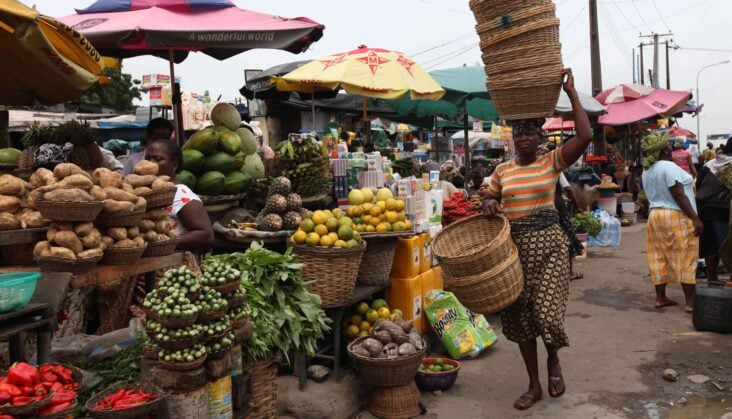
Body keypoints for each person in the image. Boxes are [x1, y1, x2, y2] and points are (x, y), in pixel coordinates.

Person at [481, 69, 592, 410]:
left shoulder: (550, 162)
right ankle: (533, 384)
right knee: (521, 321)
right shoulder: (502, 171)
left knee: (546, 315)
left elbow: (585, 136)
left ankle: (553, 360)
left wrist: (571, 94)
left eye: (530, 131)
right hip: (514, 253)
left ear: (539, 136)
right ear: (512, 137)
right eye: (519, 132)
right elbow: (487, 197)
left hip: (549, 247)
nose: (524, 137)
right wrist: (489, 202)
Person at [641, 131, 702, 314]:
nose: (670, 148)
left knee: (658, 254)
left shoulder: (647, 170)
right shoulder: (669, 167)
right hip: (675, 215)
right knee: (686, 255)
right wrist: (695, 218)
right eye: (667, 145)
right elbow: (678, 193)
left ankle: (661, 298)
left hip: (655, 216)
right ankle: (690, 302)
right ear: (663, 150)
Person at [144, 140, 214, 253]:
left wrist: (166, 242)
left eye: (157, 159)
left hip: (175, 265)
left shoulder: (181, 194)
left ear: (175, 164)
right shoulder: (150, 191)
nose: (150, 163)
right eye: (147, 158)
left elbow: (206, 235)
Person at [696, 140, 732, 282]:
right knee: (727, 245)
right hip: (724, 209)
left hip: (704, 207)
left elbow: (698, 184)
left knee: (710, 245)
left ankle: (712, 278)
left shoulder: (709, 164)